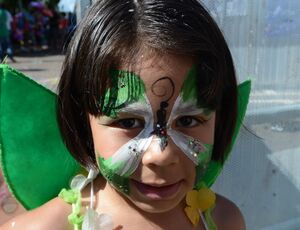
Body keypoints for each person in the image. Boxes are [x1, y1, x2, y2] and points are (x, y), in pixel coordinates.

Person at [0, 0, 251, 229]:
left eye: (187, 120)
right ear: (82, 123)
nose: (161, 155)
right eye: (129, 121)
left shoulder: (225, 221)